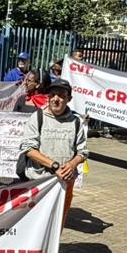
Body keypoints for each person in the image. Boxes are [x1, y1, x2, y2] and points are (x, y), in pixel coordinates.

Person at [19, 79, 87, 221]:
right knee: (34, 223)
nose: (56, 99)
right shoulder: (37, 118)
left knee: (57, 223)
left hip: (65, 183)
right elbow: (29, 149)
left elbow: (83, 151)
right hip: (39, 183)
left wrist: (72, 164)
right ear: (48, 97)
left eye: (61, 95)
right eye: (53, 95)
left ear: (69, 99)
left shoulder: (76, 122)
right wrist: (54, 166)